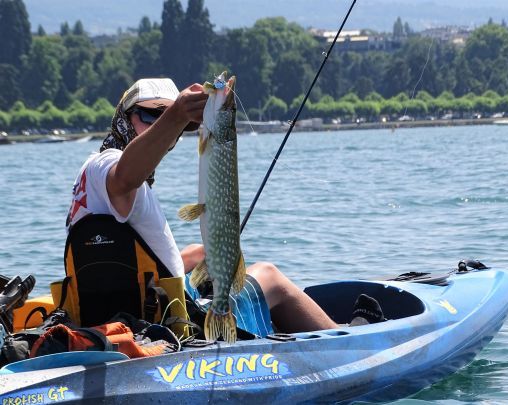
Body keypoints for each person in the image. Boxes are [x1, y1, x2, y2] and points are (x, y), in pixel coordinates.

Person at [66, 78, 382, 336]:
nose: (164, 127)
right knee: (268, 275)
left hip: (129, 310)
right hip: (169, 323)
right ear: (124, 117)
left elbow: (126, 258)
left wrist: (190, 257)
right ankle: (349, 341)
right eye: (151, 115)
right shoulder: (113, 167)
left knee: (203, 254)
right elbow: (124, 176)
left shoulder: (90, 175)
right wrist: (176, 114)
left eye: (172, 121)